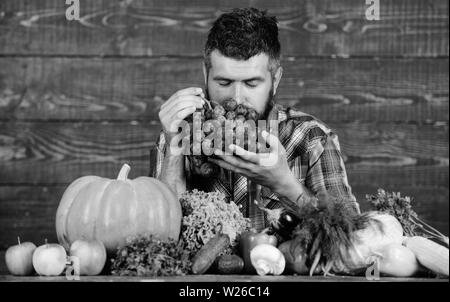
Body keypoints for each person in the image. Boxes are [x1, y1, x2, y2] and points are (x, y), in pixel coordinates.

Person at [152, 7, 359, 231]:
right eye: (224, 82)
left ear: (275, 79)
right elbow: (157, 237)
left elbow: (353, 238)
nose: (237, 99)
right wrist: (174, 150)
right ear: (206, 74)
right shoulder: (179, 134)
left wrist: (284, 184)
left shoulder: (312, 139)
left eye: (251, 83)